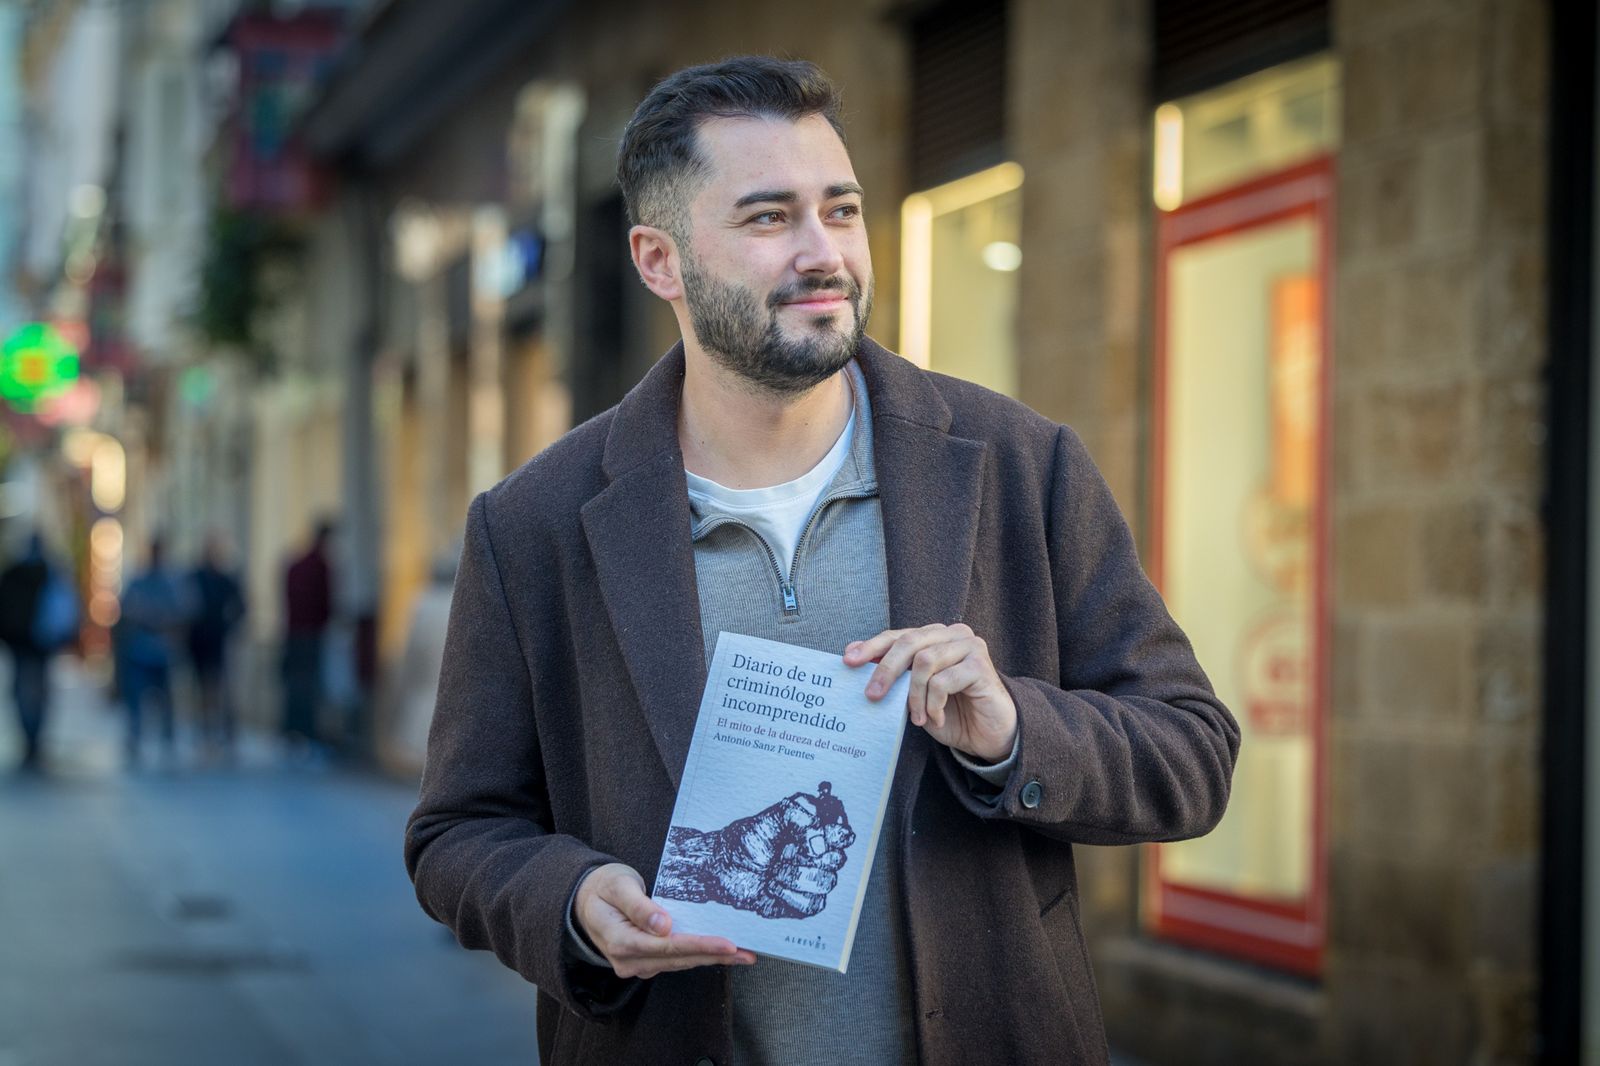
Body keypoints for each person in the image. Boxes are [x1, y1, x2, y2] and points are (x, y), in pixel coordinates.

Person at [405, 57, 1239, 1066]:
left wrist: (1014, 729)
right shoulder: (535, 523)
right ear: (659, 260)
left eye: (839, 210)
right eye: (767, 219)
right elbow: (457, 835)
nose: (823, 252)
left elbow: (1191, 755)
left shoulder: (1022, 464)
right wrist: (573, 903)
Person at [0, 531, 75, 771]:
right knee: (31, 692)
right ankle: (32, 739)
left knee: (29, 692)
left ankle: (32, 739)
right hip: (29, 644)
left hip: (29, 644)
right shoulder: (42, 573)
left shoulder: (36, 573)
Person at [118, 538, 191, 764]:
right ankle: (135, 736)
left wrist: (162, 619)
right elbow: (128, 610)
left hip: (163, 653)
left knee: (165, 699)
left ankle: (167, 738)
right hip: (140, 651)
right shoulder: (139, 582)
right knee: (137, 698)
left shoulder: (172, 582)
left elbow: (184, 611)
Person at [186, 533, 246, 759]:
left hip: (219, 641)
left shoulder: (224, 580)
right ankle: (205, 731)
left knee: (221, 688)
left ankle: (223, 732)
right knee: (202, 689)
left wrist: (229, 625)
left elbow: (240, 605)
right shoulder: (196, 578)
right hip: (199, 643)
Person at [281, 521, 334, 751]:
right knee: (307, 685)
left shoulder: (297, 566)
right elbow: (325, 602)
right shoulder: (318, 566)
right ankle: (304, 732)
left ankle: (294, 731)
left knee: (297, 685)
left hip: (296, 632)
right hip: (309, 633)